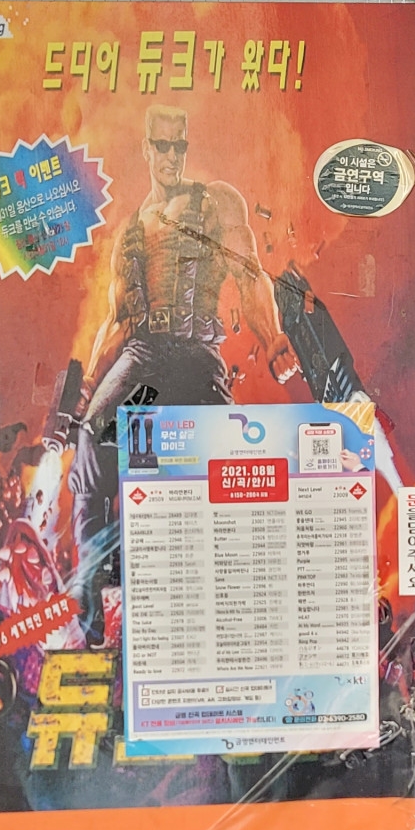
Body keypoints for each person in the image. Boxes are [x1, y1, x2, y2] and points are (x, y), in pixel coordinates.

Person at [66, 106, 296, 628]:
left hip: (196, 359)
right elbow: (116, 320)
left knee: (224, 461)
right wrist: (89, 386)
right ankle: (89, 585)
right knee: (95, 438)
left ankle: (239, 592)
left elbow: (250, 273)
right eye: (163, 146)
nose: (172, 156)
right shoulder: (131, 230)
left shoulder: (214, 201)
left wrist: (273, 337)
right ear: (146, 149)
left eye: (180, 146)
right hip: (147, 366)